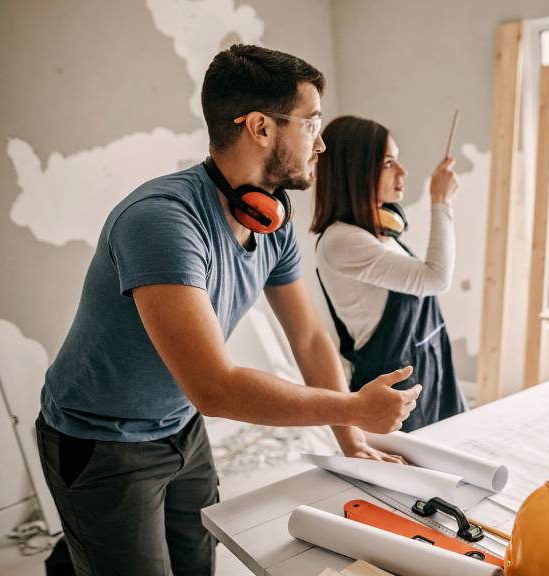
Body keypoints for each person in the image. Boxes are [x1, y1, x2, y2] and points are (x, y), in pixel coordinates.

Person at [36, 45, 420, 576]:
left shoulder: (272, 219)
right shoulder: (162, 223)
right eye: (311, 124)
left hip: (180, 429)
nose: (321, 142)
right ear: (261, 128)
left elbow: (308, 339)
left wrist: (351, 440)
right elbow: (215, 388)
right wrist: (352, 407)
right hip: (102, 442)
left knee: (198, 563)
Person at [311, 115, 466, 432]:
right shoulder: (342, 241)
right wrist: (440, 202)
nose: (402, 172)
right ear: (356, 170)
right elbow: (435, 278)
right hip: (393, 390)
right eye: (388, 163)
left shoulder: (379, 234)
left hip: (433, 372)